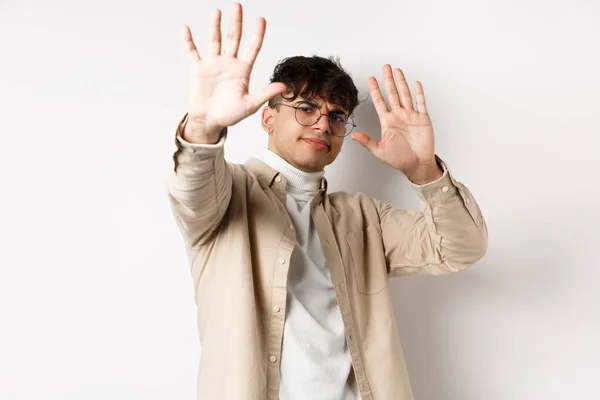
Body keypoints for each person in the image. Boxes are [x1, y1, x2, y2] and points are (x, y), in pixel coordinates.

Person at [165, 3, 488, 400]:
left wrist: (423, 171)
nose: (322, 123)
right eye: (305, 108)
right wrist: (203, 126)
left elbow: (461, 247)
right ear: (268, 118)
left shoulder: (363, 217)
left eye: (337, 116)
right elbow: (192, 193)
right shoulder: (228, 193)